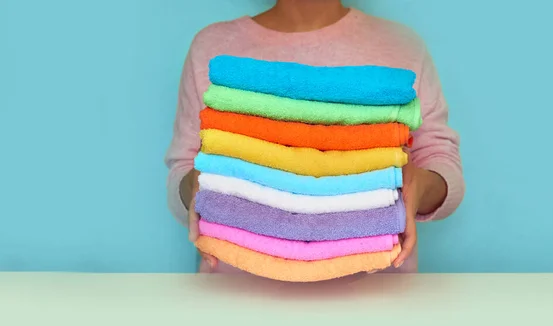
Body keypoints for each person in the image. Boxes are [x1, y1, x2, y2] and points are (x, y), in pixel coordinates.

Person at [164, 0, 465, 274]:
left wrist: (417, 188)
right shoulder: (214, 49)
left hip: (376, 300)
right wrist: (200, 185)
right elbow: (183, 173)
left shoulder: (401, 47)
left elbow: (441, 161)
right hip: (236, 297)